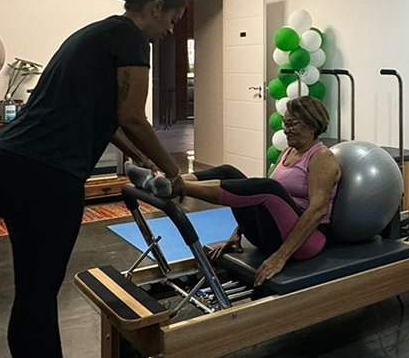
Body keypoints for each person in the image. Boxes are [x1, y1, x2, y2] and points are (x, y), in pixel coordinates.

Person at [0, 0, 188, 358]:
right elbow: (133, 116)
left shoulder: (102, 33)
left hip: (16, 161)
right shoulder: (132, 39)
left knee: (42, 289)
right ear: (156, 8)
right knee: (34, 295)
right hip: (40, 170)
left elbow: (108, 117)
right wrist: (174, 172)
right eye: (172, 20)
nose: (170, 30)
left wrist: (136, 156)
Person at [132, 96, 341, 286]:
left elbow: (317, 211)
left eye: (292, 124)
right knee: (229, 172)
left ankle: (174, 187)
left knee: (269, 188)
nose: (286, 130)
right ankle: (167, 181)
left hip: (306, 242)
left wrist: (280, 257)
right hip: (271, 234)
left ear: (312, 124)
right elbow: (261, 201)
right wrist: (236, 234)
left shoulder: (321, 157)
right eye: (285, 123)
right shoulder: (288, 152)